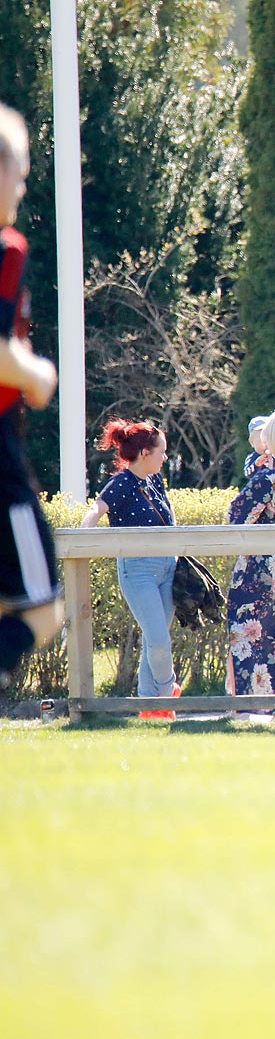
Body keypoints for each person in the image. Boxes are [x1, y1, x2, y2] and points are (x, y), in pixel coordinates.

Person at [0, 102, 63, 692]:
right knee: (42, 610)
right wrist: (38, 373)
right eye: (17, 173)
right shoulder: (6, 247)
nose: (21, 187)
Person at [80, 421, 178, 707]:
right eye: (163, 451)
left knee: (153, 640)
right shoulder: (122, 483)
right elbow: (97, 509)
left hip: (168, 567)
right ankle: (168, 692)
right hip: (138, 570)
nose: (166, 457)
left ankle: (150, 705)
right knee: (159, 641)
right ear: (146, 452)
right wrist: (82, 535)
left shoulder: (155, 480)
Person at [224, 407, 275, 698]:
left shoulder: (267, 479)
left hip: (258, 563)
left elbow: (237, 516)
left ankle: (246, 703)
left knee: (246, 631)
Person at [243, 415, 272, 480]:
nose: (268, 444)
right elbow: (247, 473)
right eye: (263, 441)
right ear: (252, 442)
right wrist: (256, 465)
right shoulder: (252, 457)